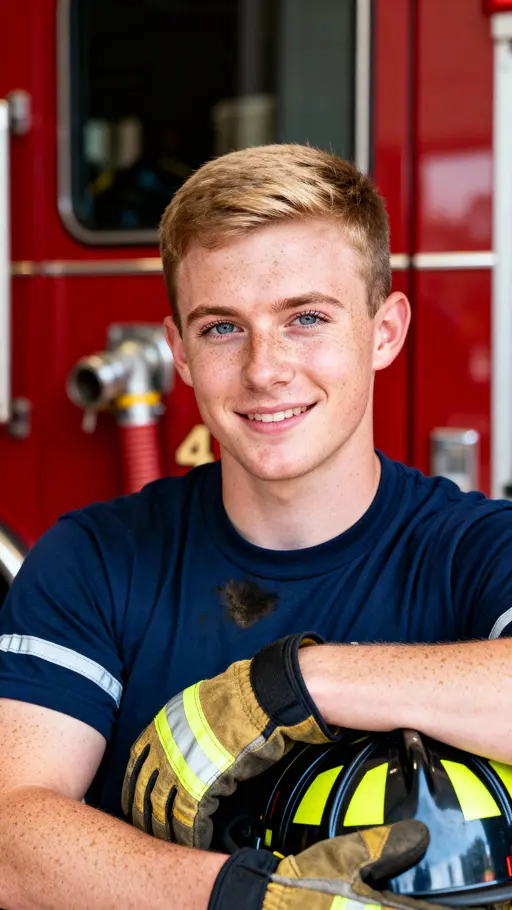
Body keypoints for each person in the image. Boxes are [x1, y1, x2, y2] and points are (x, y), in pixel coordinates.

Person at [0, 144, 510, 909]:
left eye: (306, 318)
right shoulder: (94, 559)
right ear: (179, 350)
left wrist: (296, 684)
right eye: (222, 329)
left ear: (385, 330)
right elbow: (12, 843)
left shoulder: (479, 547)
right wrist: (249, 899)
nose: (265, 369)